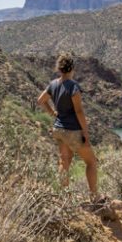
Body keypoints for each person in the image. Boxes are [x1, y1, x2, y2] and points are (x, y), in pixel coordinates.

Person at [37, 54, 100, 199]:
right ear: (72, 69)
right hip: (72, 130)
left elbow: (41, 100)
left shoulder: (53, 84)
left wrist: (53, 113)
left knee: (64, 162)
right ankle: (94, 197)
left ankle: (64, 197)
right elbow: (78, 111)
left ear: (59, 69)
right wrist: (85, 132)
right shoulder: (73, 86)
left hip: (58, 129)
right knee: (91, 162)